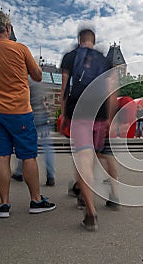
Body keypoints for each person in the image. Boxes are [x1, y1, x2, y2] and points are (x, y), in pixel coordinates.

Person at [0, 11, 55, 218]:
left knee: (2, 156)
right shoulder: (20, 48)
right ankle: (36, 200)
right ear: (8, 28)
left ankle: (3, 205)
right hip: (19, 111)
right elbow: (37, 76)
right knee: (28, 156)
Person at [60, 28, 118, 231]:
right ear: (93, 40)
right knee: (94, 156)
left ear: (79, 40)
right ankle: (87, 194)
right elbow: (112, 91)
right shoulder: (104, 59)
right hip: (100, 113)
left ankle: (90, 210)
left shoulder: (70, 56)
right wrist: (110, 118)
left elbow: (65, 87)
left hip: (79, 111)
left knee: (83, 158)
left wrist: (64, 112)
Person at [11, 79, 56, 186]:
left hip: (30, 115)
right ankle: (51, 175)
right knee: (47, 147)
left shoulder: (24, 79)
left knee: (25, 145)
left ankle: (19, 172)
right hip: (43, 115)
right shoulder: (39, 79)